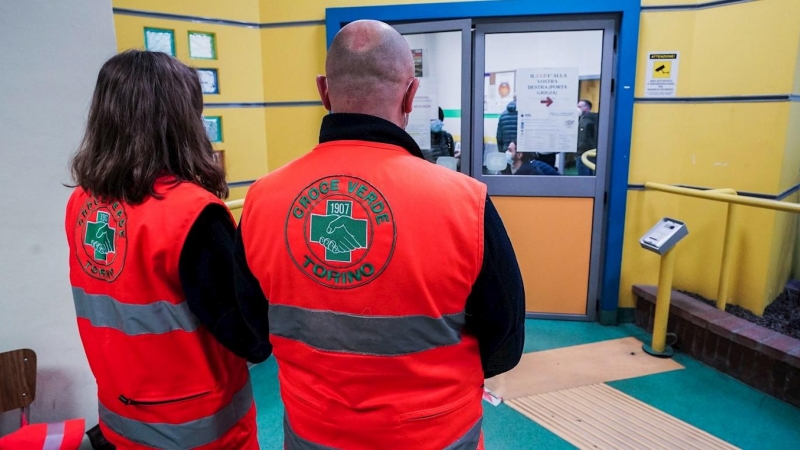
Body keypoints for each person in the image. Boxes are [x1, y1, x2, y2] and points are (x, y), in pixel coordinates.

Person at [234, 20, 525, 449]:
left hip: (315, 436)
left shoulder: (262, 200)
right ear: (411, 94)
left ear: (323, 91)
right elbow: (505, 344)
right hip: (435, 437)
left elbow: (253, 330)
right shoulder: (465, 203)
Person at [65, 50, 267, 450]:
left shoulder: (83, 204)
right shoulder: (191, 214)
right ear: (181, 121)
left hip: (123, 419)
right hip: (200, 431)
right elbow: (250, 338)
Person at [577, 99, 598, 175]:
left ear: (586, 108)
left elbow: (582, 138)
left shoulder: (585, 121)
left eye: (579, 106)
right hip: (590, 153)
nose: (577, 109)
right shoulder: (582, 120)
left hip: (584, 153)